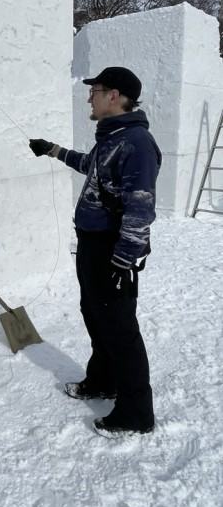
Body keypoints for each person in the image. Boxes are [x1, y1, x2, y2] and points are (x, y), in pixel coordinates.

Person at [29, 67, 161, 438]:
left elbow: (141, 206)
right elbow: (92, 168)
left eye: (96, 90)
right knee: (96, 316)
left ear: (115, 96)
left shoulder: (136, 142)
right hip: (92, 246)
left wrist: (123, 260)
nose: (90, 96)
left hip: (112, 250)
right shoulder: (112, 138)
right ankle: (104, 380)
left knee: (121, 330)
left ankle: (136, 413)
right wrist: (52, 150)